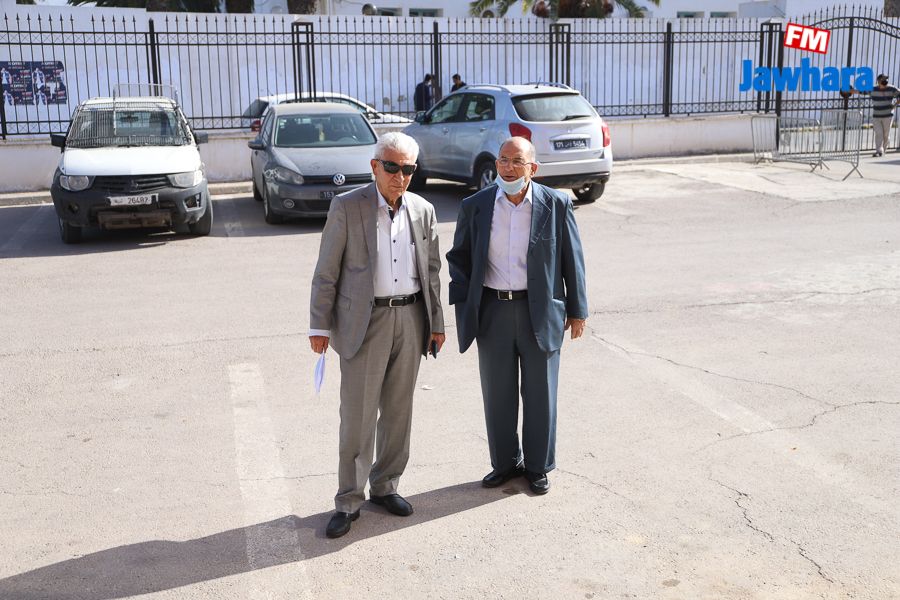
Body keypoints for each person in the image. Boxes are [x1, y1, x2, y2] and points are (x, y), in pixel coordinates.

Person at [309, 131, 445, 539]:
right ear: (374, 166)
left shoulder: (423, 210)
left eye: (408, 169)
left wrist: (437, 323)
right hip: (364, 323)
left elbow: (432, 272)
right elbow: (326, 271)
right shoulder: (347, 207)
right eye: (392, 167)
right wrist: (319, 324)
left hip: (411, 318)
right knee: (358, 416)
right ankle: (348, 500)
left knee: (399, 412)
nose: (399, 176)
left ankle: (386, 485)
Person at [445, 136, 587, 496]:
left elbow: (572, 259)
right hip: (492, 310)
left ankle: (538, 466)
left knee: (541, 393)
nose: (507, 168)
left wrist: (577, 310)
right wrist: (464, 304)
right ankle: (505, 463)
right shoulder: (476, 205)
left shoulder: (556, 204)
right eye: (503, 160)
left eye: (516, 161)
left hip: (540, 311)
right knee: (498, 393)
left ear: (532, 168)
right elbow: (459, 257)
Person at [852, 74, 900, 156]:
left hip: (888, 116)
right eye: (883, 79)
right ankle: (879, 151)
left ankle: (883, 150)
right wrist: (852, 91)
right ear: (879, 81)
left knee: (886, 134)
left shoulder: (892, 89)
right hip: (876, 116)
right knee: (879, 133)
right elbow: (862, 91)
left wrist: (895, 105)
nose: (885, 81)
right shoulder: (873, 89)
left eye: (886, 79)